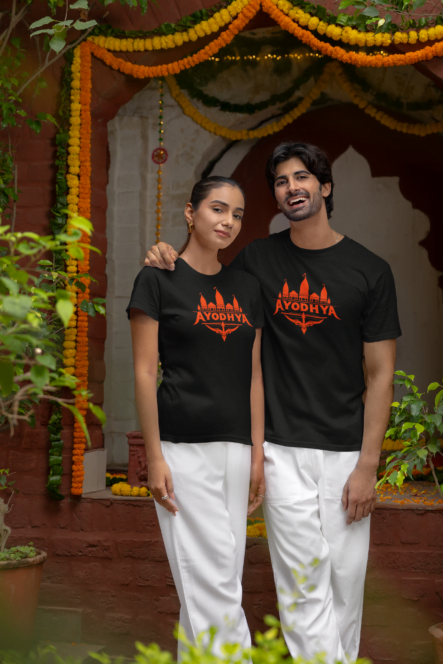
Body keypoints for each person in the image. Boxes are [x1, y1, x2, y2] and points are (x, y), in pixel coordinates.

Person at [144, 143, 401, 663]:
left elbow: (381, 374)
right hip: (281, 450)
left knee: (345, 588)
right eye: (281, 182)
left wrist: (369, 464)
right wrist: (164, 255)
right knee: (303, 591)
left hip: (347, 451)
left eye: (302, 177)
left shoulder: (370, 271)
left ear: (325, 187)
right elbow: (203, 275)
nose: (292, 188)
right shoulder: (258, 259)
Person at [128, 176, 265, 658]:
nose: (228, 221)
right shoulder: (157, 277)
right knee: (211, 581)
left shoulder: (247, 287)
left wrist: (255, 455)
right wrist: (155, 454)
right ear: (191, 213)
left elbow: (253, 377)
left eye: (238, 214)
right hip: (182, 449)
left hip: (236, 450)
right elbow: (145, 372)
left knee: (216, 576)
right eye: (217, 209)